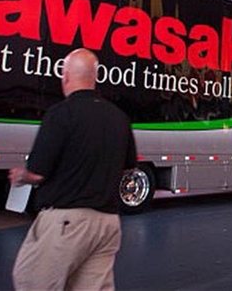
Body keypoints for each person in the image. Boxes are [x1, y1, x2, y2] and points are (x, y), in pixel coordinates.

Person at [9, 48, 138, 291]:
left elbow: (38, 173)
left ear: (65, 76)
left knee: (32, 282)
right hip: (107, 224)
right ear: (94, 78)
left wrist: (20, 176)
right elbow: (128, 167)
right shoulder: (119, 117)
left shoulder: (60, 114)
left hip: (66, 223)